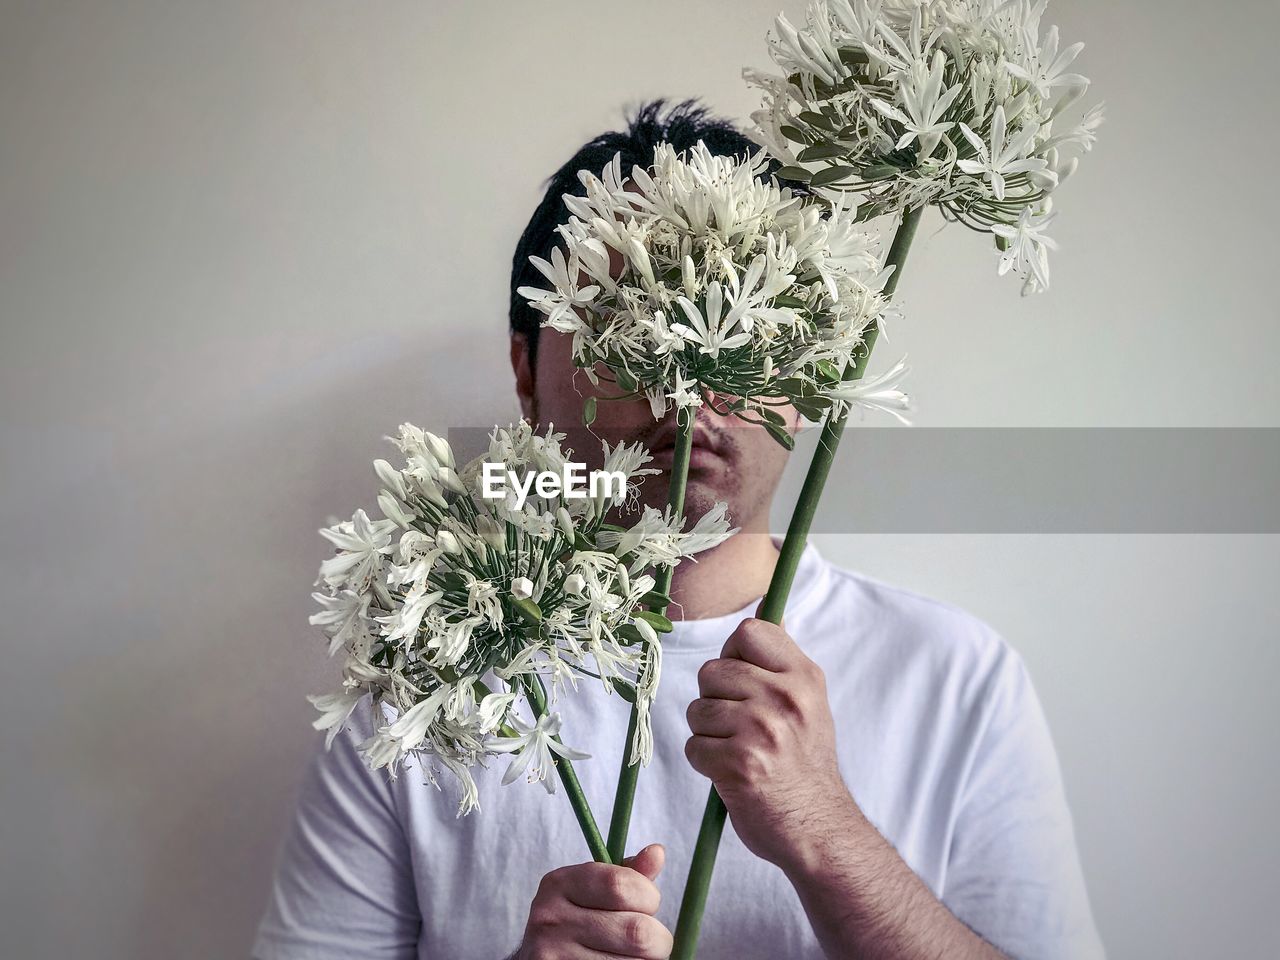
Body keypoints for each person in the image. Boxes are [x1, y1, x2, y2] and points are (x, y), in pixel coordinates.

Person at [252, 99, 1104, 960]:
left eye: (740, 319)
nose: (687, 381)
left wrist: (827, 834)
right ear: (525, 370)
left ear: (810, 371)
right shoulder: (421, 692)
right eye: (627, 329)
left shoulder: (958, 678)